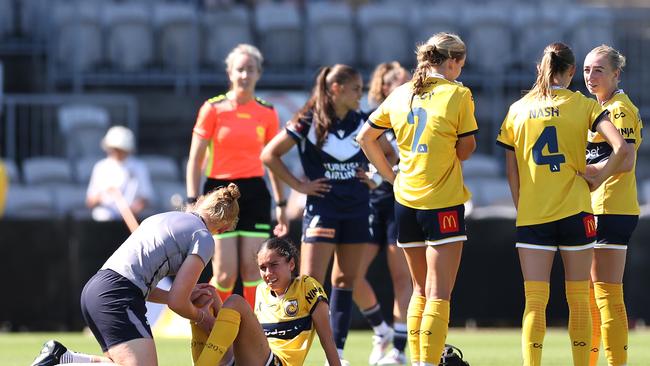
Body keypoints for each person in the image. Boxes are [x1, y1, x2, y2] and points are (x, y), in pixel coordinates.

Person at [495, 42, 631, 366]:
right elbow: (622, 148)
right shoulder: (582, 105)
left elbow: (511, 171)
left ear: (541, 68)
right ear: (570, 71)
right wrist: (599, 177)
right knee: (580, 301)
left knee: (534, 302)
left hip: (533, 215)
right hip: (577, 211)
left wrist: (522, 207)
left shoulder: (517, 109)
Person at [357, 33, 478, 366]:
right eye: (459, 65)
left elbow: (365, 137)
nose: (459, 72)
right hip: (442, 199)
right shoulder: (458, 94)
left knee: (419, 291)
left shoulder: (400, 93)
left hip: (406, 200)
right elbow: (466, 149)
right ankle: (428, 362)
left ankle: (419, 361)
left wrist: (390, 177)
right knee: (439, 294)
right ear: (451, 62)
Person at [30, 184, 241, 366]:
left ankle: (64, 358)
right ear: (223, 229)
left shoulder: (163, 217)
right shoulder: (203, 237)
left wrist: (176, 295)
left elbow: (140, 282)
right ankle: (61, 360)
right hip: (118, 296)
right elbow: (178, 302)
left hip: (98, 289)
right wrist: (204, 318)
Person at [261, 64, 371, 364]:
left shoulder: (363, 121)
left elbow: (390, 152)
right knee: (310, 284)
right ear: (336, 89)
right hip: (322, 208)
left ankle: (338, 355)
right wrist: (299, 185)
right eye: (356, 89)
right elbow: (269, 154)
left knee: (346, 279)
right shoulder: (307, 120)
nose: (361, 95)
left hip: (358, 208)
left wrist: (373, 174)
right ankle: (295, 356)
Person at [186, 44, 287, 309]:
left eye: (250, 70)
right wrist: (192, 200)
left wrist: (281, 204)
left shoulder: (267, 112)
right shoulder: (213, 108)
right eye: (240, 69)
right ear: (230, 72)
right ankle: (217, 325)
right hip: (219, 191)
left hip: (254, 191)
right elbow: (195, 159)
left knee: (254, 270)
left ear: (258, 73)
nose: (245, 75)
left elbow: (273, 160)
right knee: (224, 273)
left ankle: (252, 327)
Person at [190, 237, 341, 366]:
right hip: (252, 358)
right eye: (263, 268)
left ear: (291, 264)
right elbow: (244, 336)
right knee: (206, 294)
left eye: (274, 265)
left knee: (235, 301)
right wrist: (207, 320)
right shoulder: (262, 290)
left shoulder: (306, 286)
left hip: (278, 362)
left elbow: (327, 339)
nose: (268, 273)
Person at [583, 45, 642, 366]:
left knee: (606, 296)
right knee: (593, 298)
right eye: (587, 70)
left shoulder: (618, 109)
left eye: (599, 70)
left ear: (616, 74)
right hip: (599, 207)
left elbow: (626, 158)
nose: (590, 76)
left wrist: (587, 172)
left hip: (610, 207)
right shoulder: (600, 107)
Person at [358, 61, 413, 366]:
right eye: (397, 81)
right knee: (350, 274)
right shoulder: (371, 119)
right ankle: (381, 330)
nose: (405, 86)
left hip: (400, 200)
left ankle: (399, 351)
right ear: (382, 86)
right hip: (372, 201)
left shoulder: (413, 115)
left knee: (401, 278)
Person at [86, 125, 154, 222]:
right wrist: (103, 197)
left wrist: (132, 211)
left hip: (130, 220)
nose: (116, 152)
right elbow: (90, 201)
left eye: (120, 149)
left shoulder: (139, 167)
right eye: (114, 148)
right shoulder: (100, 167)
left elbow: (146, 198)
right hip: (104, 222)